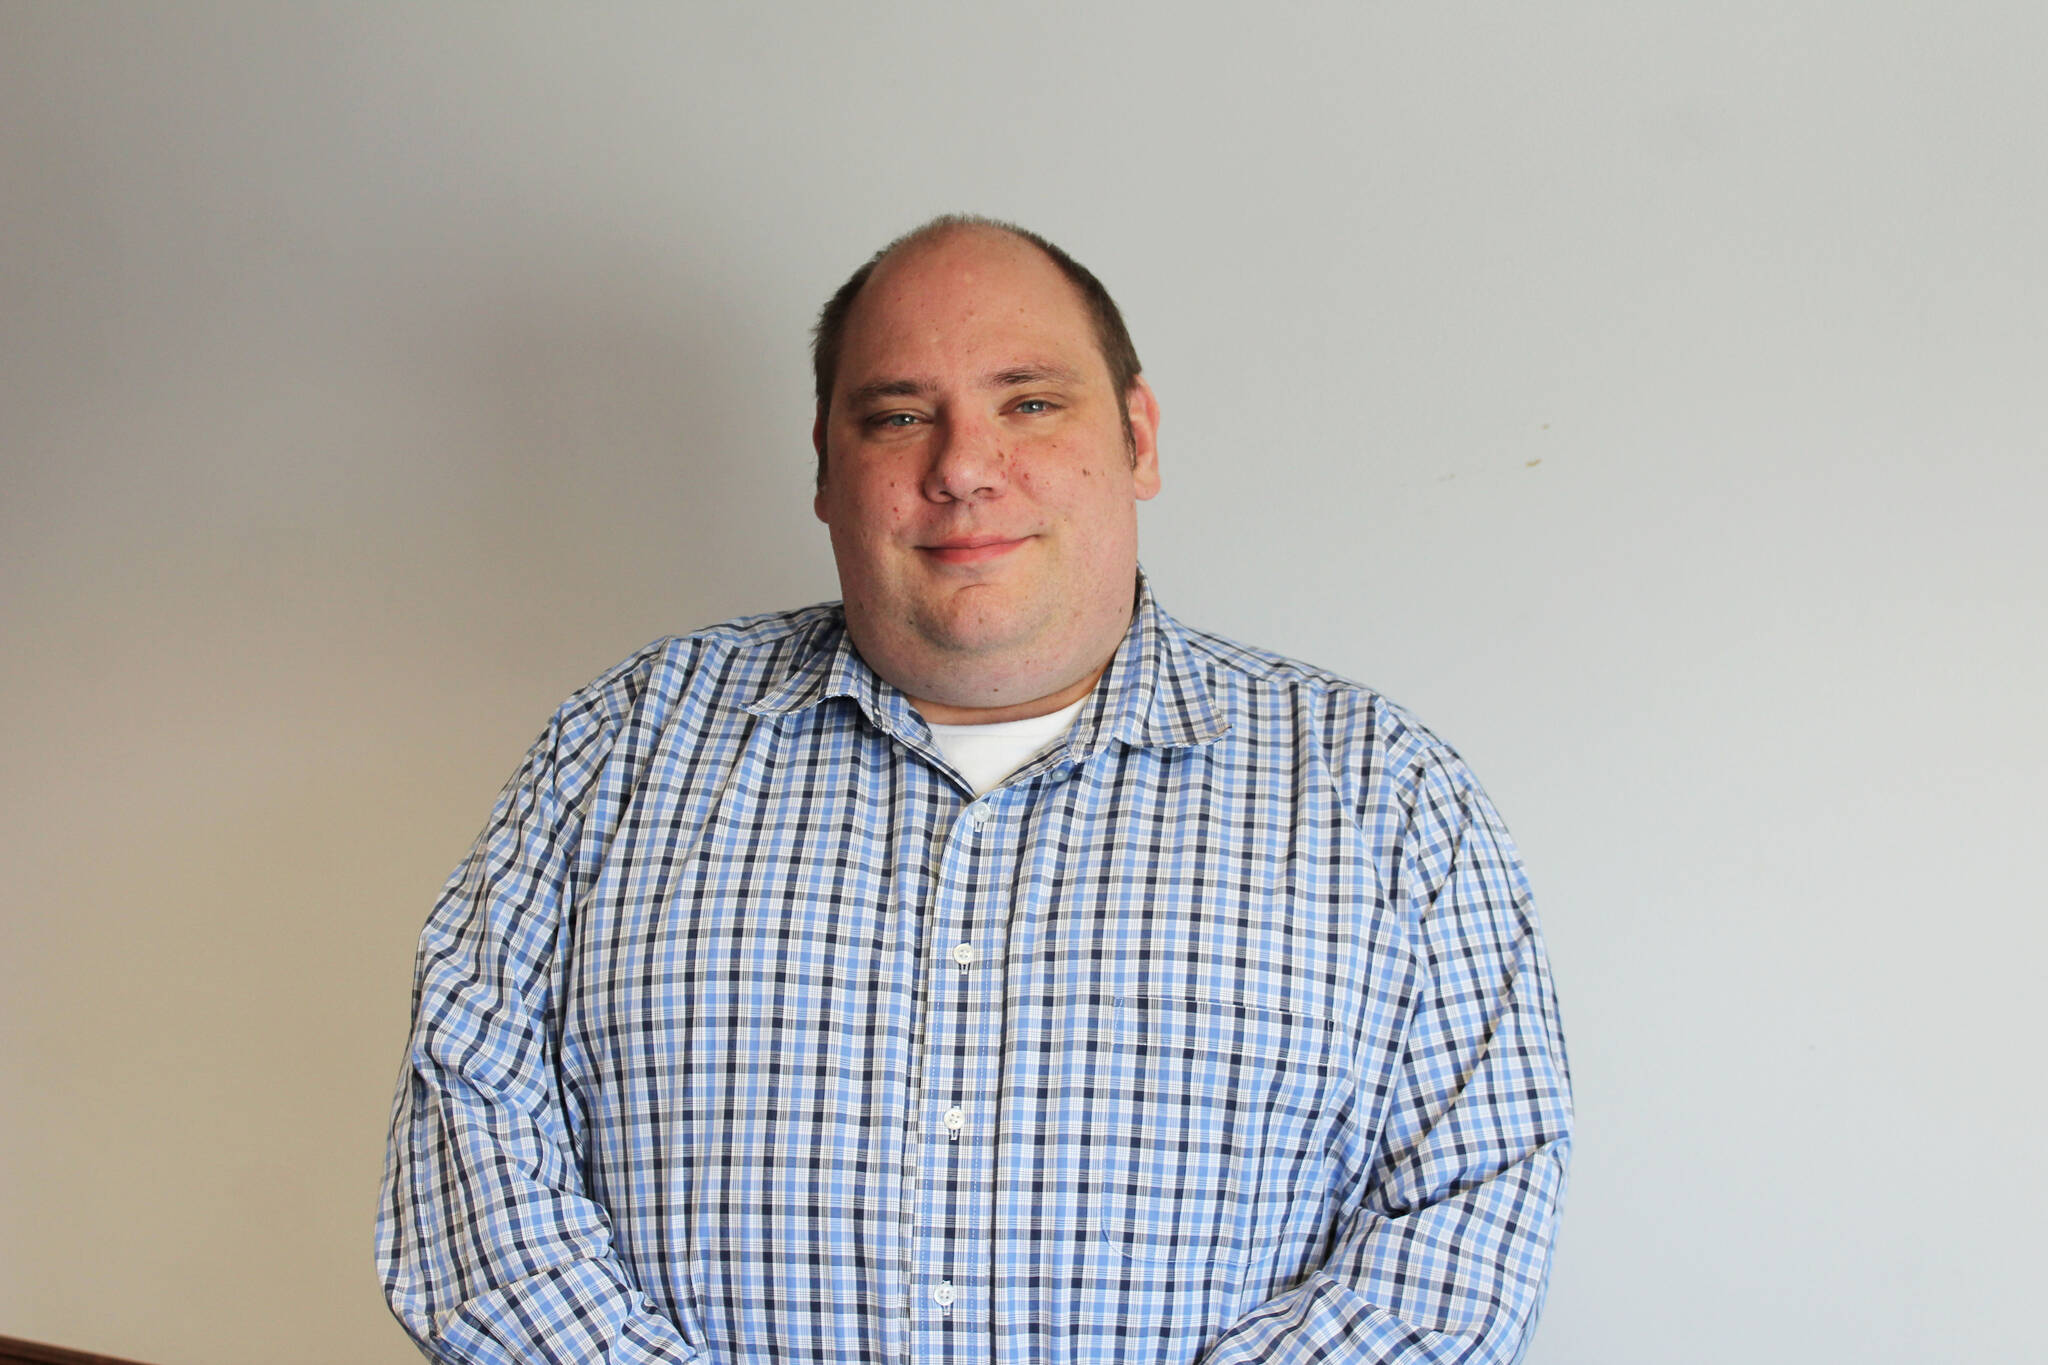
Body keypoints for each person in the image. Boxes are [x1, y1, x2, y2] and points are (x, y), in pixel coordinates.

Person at [376, 215, 1572, 1365]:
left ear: (1138, 439)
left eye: (1030, 404)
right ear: (825, 470)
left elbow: (1470, 1209)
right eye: (898, 417)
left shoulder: (1379, 795)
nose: (961, 468)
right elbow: (468, 1165)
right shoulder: (623, 749)